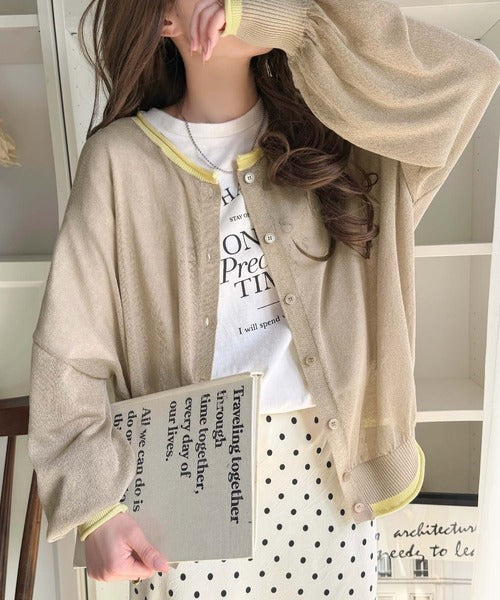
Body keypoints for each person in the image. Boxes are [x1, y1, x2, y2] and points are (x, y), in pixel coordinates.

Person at [27, 0, 500, 598]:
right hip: (186, 480)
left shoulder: (340, 141)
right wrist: (95, 507)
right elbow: (70, 353)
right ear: (164, 19)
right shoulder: (119, 163)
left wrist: (295, 24)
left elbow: (472, 75)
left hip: (331, 473)